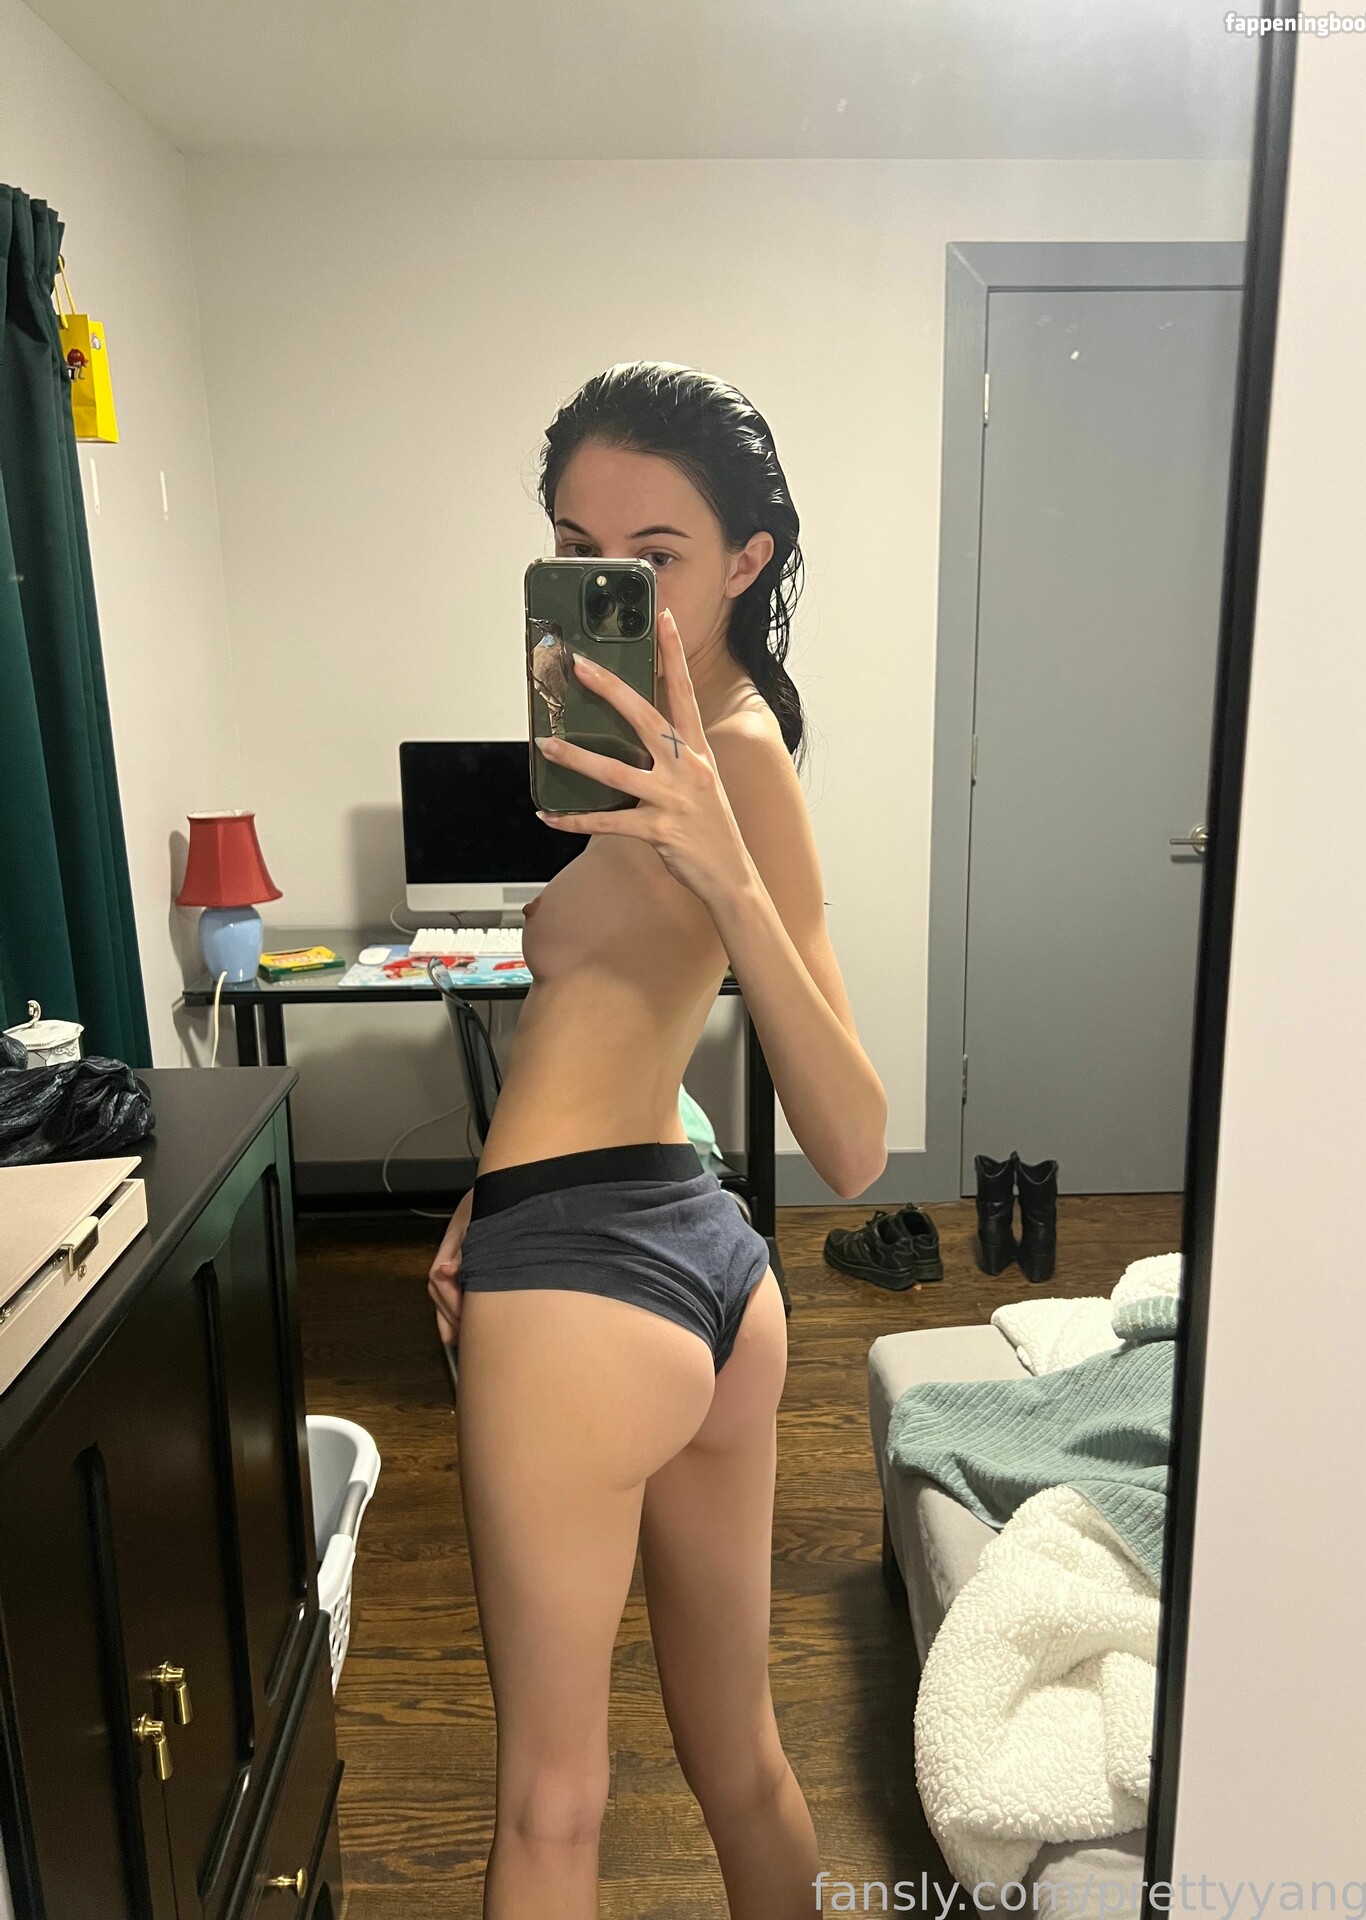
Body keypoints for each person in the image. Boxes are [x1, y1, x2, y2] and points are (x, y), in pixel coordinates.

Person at [427, 362, 888, 1920]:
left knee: (552, 1810)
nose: (608, 586)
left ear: (748, 560)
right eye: (577, 548)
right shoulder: (671, 758)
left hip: (580, 1291)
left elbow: (855, 1146)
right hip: (693, 1260)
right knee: (737, 1758)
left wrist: (725, 866)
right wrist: (485, 1196)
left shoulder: (734, 761)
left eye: (656, 554)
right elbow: (623, 1036)